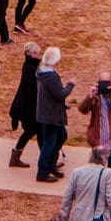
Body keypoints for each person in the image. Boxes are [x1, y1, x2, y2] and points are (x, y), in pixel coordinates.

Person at [34, 48, 73, 182]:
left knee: (61, 136)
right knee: (49, 144)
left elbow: (51, 95)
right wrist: (70, 85)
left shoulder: (42, 72)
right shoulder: (50, 76)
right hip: (51, 115)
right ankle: (42, 172)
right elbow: (60, 94)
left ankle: (50, 165)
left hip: (47, 112)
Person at [8, 41, 44, 169]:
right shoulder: (32, 68)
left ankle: (46, 159)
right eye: (35, 53)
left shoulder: (29, 66)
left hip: (28, 107)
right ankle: (45, 160)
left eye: (39, 53)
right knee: (32, 132)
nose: (38, 55)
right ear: (29, 54)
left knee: (36, 132)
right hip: (29, 108)